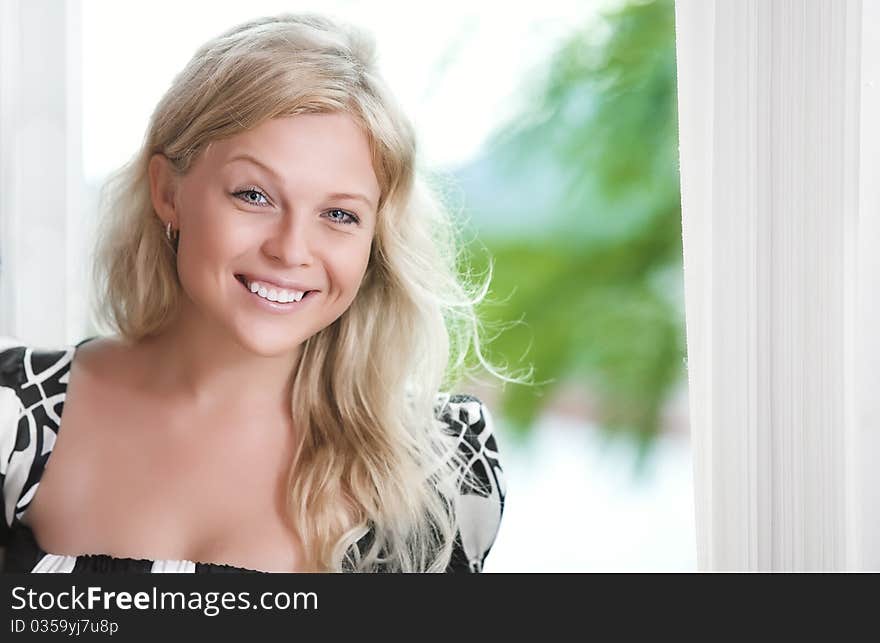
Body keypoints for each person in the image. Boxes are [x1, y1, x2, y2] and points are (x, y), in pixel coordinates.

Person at [0, 13, 508, 573]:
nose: (292, 250)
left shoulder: (442, 467)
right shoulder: (14, 409)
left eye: (338, 214)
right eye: (254, 196)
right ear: (168, 192)